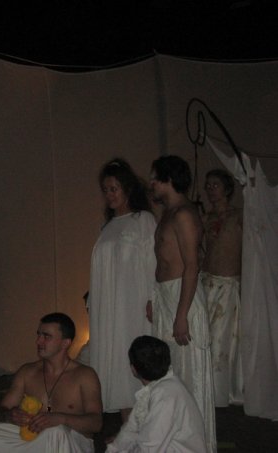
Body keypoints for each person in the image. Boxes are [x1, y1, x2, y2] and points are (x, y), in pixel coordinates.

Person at [148, 155, 216, 452]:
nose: (151, 183)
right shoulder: (168, 213)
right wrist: (155, 298)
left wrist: (182, 315)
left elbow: (191, 265)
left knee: (189, 376)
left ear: (168, 179)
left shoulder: (185, 214)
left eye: (155, 178)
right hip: (166, 297)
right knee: (168, 373)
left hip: (182, 299)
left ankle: (195, 445)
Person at [0, 313, 102, 453]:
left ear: (65, 343)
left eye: (46, 337)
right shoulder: (27, 372)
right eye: (39, 335)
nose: (38, 341)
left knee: (56, 432)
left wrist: (61, 419)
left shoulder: (85, 375)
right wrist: (10, 415)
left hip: (72, 441)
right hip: (36, 438)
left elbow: (96, 423)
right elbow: (1, 410)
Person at [88, 158, 156, 422]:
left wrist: (152, 298)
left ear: (127, 188)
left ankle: (140, 424)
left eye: (114, 188)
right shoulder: (107, 226)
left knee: (132, 356)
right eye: (106, 190)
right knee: (115, 359)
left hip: (131, 305)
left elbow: (153, 262)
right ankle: (127, 425)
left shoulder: (143, 220)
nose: (109, 194)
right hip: (108, 307)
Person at [106, 335, 206, 452]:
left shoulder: (167, 394)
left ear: (133, 369)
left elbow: (150, 447)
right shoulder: (157, 388)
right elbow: (131, 429)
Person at [202, 169, 244, 407]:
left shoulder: (238, 216)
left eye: (215, 185)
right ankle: (206, 386)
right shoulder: (206, 218)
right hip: (208, 282)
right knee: (207, 335)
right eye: (208, 185)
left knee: (222, 337)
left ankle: (222, 390)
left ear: (227, 188)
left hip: (228, 284)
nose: (210, 189)